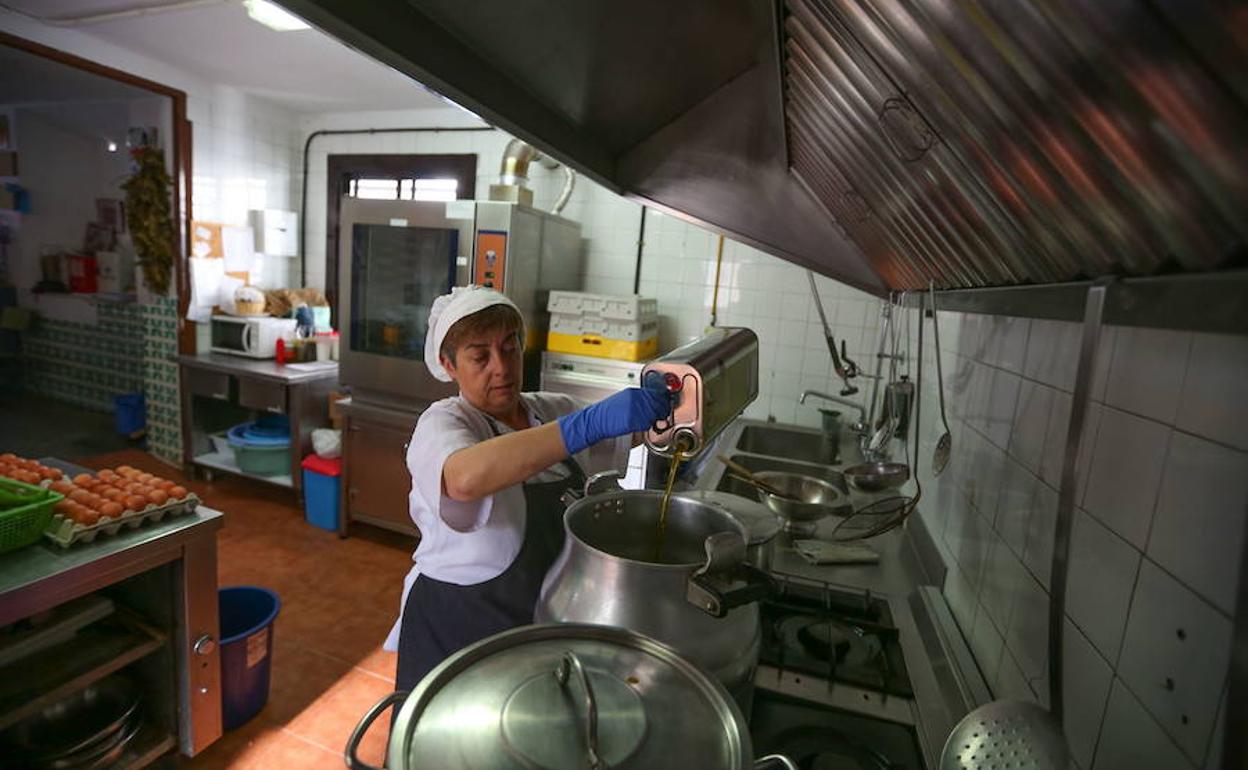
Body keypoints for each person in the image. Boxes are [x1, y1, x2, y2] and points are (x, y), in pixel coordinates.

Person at [383, 285, 671, 692]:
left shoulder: (552, 410)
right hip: (457, 623)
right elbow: (463, 479)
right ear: (450, 365)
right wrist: (584, 428)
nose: (500, 367)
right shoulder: (444, 423)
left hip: (534, 622)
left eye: (510, 347)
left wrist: (669, 410)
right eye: (480, 356)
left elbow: (631, 436)